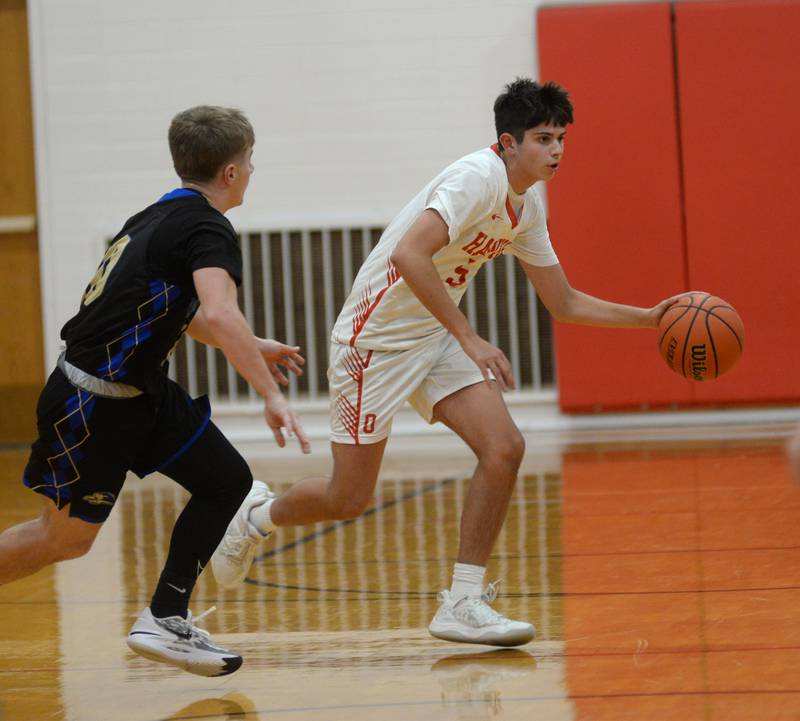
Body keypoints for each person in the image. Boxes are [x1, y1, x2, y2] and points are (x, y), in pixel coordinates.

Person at [211, 79, 682, 646]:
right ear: (508, 143)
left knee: (504, 447)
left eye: (561, 138)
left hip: (434, 336)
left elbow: (564, 302)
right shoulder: (475, 179)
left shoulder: (525, 206)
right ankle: (255, 517)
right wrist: (471, 337)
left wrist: (651, 318)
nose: (555, 150)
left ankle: (462, 601)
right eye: (542, 138)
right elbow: (411, 254)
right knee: (348, 497)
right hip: (375, 343)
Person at [0, 106, 310, 676]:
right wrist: (271, 394)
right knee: (62, 540)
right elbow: (219, 310)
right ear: (233, 172)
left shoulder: (160, 214)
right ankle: (164, 615)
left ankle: (165, 617)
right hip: (91, 403)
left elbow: (182, 314)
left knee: (227, 481)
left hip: (141, 395)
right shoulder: (208, 226)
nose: (251, 170)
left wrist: (253, 343)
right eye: (250, 161)